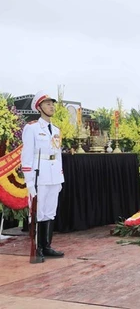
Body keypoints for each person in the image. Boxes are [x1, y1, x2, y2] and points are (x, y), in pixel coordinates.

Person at [21, 91, 65, 262]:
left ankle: (47, 246)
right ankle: (37, 248)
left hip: (54, 176)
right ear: (39, 108)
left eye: (52, 103)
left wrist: (60, 177)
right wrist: (29, 181)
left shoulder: (55, 130)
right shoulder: (31, 128)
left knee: (50, 212)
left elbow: (58, 154)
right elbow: (27, 156)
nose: (51, 106)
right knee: (38, 213)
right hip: (39, 175)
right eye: (47, 104)